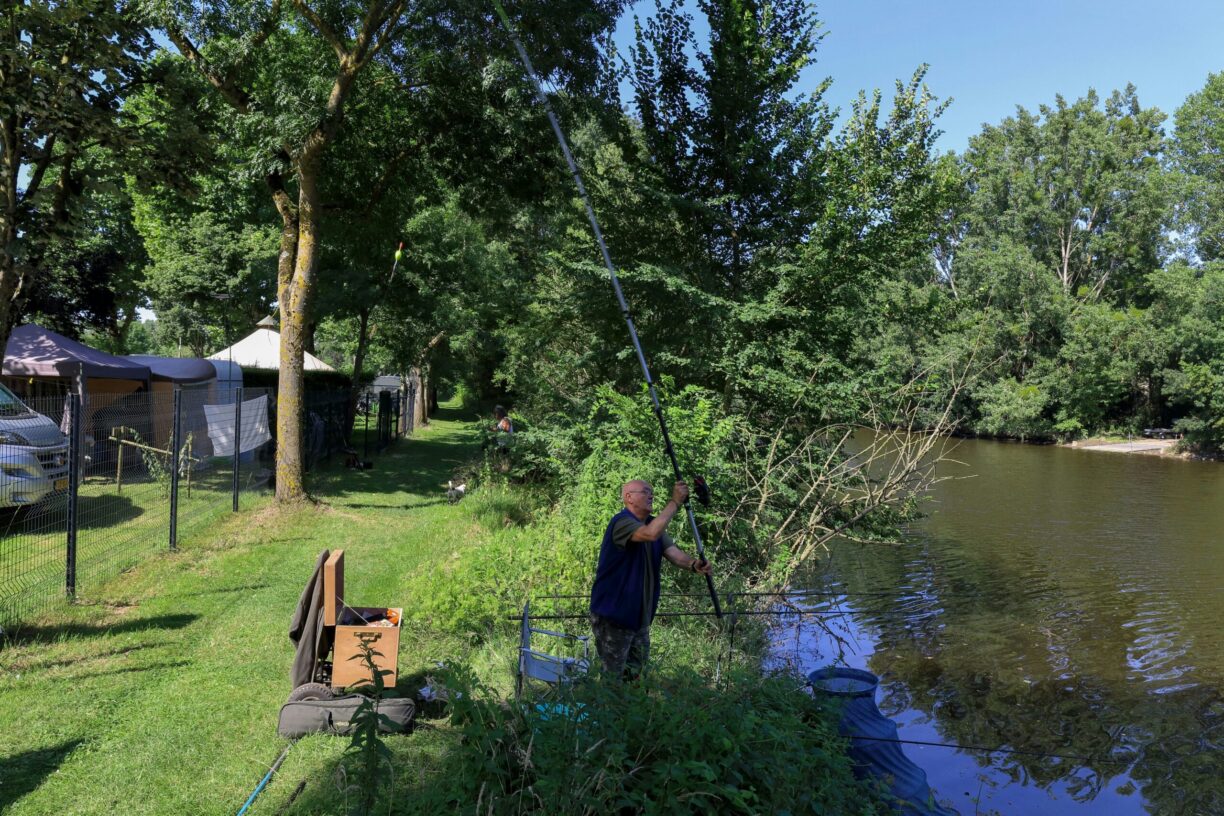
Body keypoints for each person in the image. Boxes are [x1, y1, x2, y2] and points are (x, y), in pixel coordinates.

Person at [588, 479, 713, 680]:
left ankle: (631, 702)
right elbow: (650, 534)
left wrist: (693, 564)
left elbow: (673, 553)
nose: (651, 495)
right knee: (612, 681)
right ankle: (609, 702)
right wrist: (675, 502)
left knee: (637, 678)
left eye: (651, 492)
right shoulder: (622, 522)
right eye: (645, 492)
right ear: (629, 497)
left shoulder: (653, 524)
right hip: (613, 616)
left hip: (639, 618)